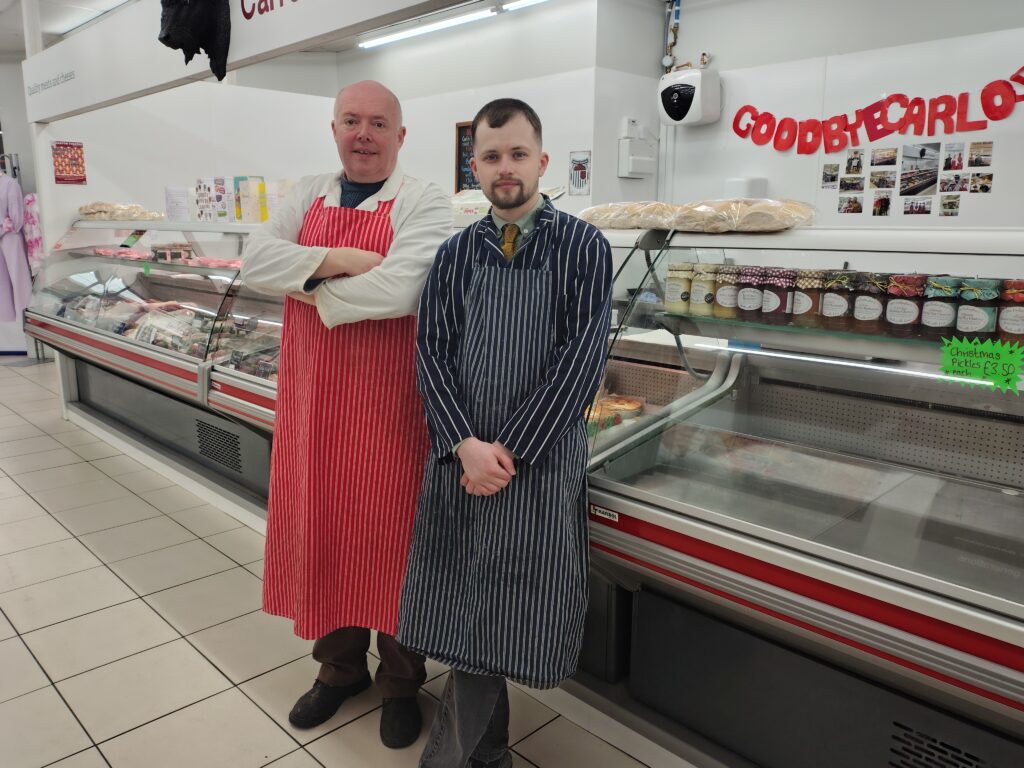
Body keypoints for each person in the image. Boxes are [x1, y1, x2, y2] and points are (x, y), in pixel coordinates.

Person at [397, 99, 612, 768]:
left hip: (537, 466)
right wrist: (465, 444)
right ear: (475, 168)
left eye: (517, 154)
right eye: (490, 156)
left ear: (542, 161)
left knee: (510, 613)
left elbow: (581, 362)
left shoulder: (584, 245)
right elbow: (430, 350)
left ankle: (463, 758)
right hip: (462, 461)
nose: (505, 168)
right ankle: (482, 756)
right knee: (466, 614)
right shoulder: (455, 254)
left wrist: (507, 452)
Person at [240, 80, 452, 747]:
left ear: (400, 135)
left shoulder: (426, 200)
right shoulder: (305, 192)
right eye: (352, 121)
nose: (364, 133)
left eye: (378, 123)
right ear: (334, 128)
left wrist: (305, 284)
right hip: (313, 403)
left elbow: (402, 286)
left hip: (391, 407)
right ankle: (338, 670)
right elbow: (254, 261)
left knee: (392, 543)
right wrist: (337, 259)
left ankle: (399, 681)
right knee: (322, 530)